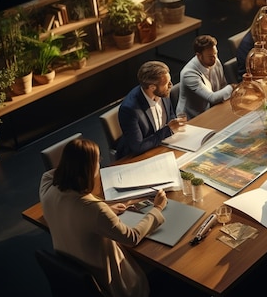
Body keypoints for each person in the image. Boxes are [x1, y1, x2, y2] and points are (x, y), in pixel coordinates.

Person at [39, 138, 168, 297]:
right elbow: (131, 237)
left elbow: (74, 212)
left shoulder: (46, 185)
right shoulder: (94, 210)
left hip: (76, 270)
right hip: (109, 284)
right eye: (97, 161)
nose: (100, 164)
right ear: (89, 170)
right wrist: (157, 208)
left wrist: (106, 209)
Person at [116, 61, 180, 159]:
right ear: (152, 87)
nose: (171, 85)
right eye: (167, 83)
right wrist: (168, 130)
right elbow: (138, 147)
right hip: (137, 157)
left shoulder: (162, 92)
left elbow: (170, 114)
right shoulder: (130, 110)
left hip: (162, 146)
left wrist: (174, 123)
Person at [176, 35, 236, 119]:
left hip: (210, 110)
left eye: (216, 53)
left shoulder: (215, 61)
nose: (215, 58)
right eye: (210, 56)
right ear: (199, 55)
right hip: (191, 118)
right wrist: (232, 87)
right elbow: (212, 98)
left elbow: (222, 86)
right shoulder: (188, 74)